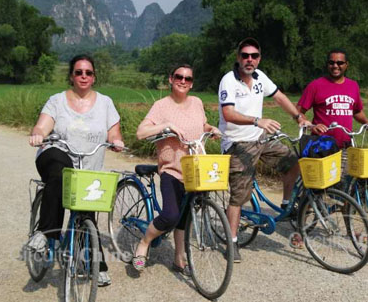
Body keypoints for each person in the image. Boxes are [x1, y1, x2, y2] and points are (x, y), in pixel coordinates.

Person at [28, 54, 124, 287]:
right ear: (71, 76)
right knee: (61, 171)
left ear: (94, 77)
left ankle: (95, 263)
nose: (83, 76)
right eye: (78, 72)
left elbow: (114, 132)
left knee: (86, 215)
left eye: (88, 73)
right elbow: (43, 124)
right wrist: (39, 132)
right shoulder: (57, 101)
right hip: (54, 155)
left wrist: (116, 141)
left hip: (87, 166)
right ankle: (46, 233)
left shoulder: (105, 103)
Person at [218, 38, 311, 262]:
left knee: (293, 161)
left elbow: (279, 97)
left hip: (260, 139)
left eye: (254, 56)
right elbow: (228, 114)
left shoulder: (260, 77)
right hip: (237, 143)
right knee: (239, 197)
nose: (250, 60)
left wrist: (299, 118)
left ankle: (287, 204)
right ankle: (231, 241)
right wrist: (256, 121)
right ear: (238, 57)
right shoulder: (229, 80)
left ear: (259, 58)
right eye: (245, 55)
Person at [132, 64, 221, 275]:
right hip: (172, 169)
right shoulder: (161, 106)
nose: (183, 81)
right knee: (171, 215)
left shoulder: (197, 103)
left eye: (188, 78)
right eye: (179, 77)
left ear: (192, 83)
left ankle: (179, 258)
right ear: (171, 79)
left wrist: (211, 129)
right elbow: (141, 132)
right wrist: (167, 125)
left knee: (185, 215)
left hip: (196, 169)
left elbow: (203, 125)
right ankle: (144, 242)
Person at [296, 47, 368, 160]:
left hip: (346, 145)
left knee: (345, 175)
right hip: (321, 145)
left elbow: (357, 112)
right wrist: (311, 126)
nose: (335, 66)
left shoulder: (353, 86)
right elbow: (298, 112)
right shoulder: (315, 85)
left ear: (346, 65)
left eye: (340, 63)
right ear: (327, 64)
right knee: (322, 177)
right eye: (331, 62)